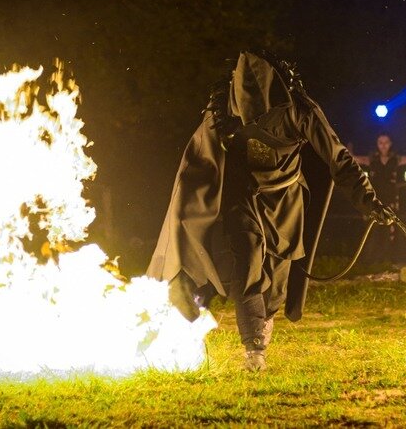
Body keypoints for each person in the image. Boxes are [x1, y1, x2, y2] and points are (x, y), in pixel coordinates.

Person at [147, 51, 393, 371]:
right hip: (243, 198)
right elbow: (198, 163)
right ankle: (254, 348)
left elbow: (338, 158)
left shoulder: (299, 111)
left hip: (287, 202)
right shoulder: (222, 111)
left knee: (276, 282)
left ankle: (265, 321)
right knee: (247, 261)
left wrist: (367, 199)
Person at [353, 134, 406, 262]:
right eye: (380, 142)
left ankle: (389, 258)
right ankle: (371, 259)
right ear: (377, 144)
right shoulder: (372, 159)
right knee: (374, 228)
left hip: (390, 199)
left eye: (386, 142)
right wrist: (349, 146)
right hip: (375, 198)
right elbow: (355, 158)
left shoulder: (395, 159)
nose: (383, 145)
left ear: (390, 143)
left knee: (390, 228)